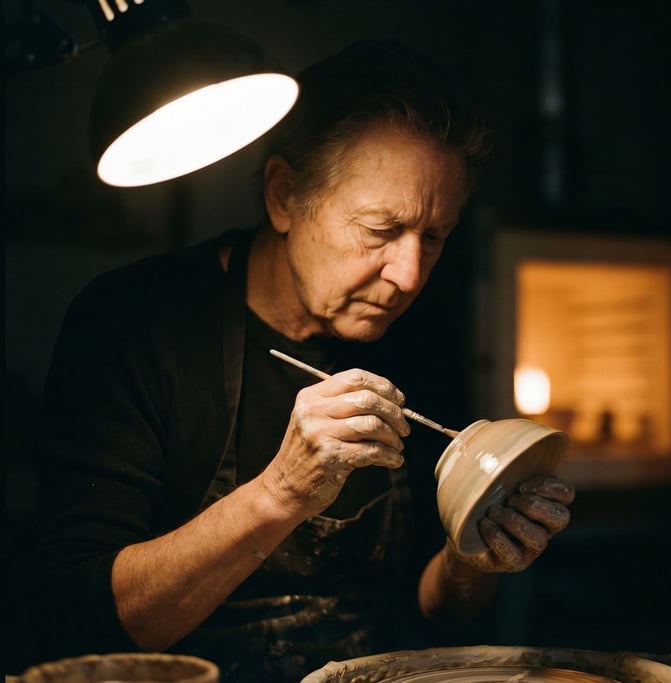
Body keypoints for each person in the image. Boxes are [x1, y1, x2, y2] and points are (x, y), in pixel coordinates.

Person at [27, 39, 575, 682]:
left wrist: (468, 560)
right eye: (380, 230)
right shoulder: (133, 323)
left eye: (434, 236)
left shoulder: (422, 332)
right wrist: (280, 493)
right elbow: (80, 621)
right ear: (284, 195)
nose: (408, 275)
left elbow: (433, 615)